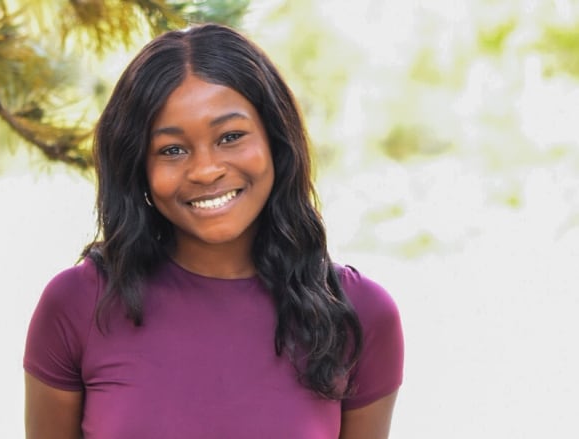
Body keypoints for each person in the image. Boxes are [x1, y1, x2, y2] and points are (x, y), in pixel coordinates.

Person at [23, 23, 404, 439]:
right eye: (172, 149)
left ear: (276, 142)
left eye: (230, 137)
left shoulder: (360, 315)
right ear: (138, 167)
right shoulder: (77, 306)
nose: (206, 170)